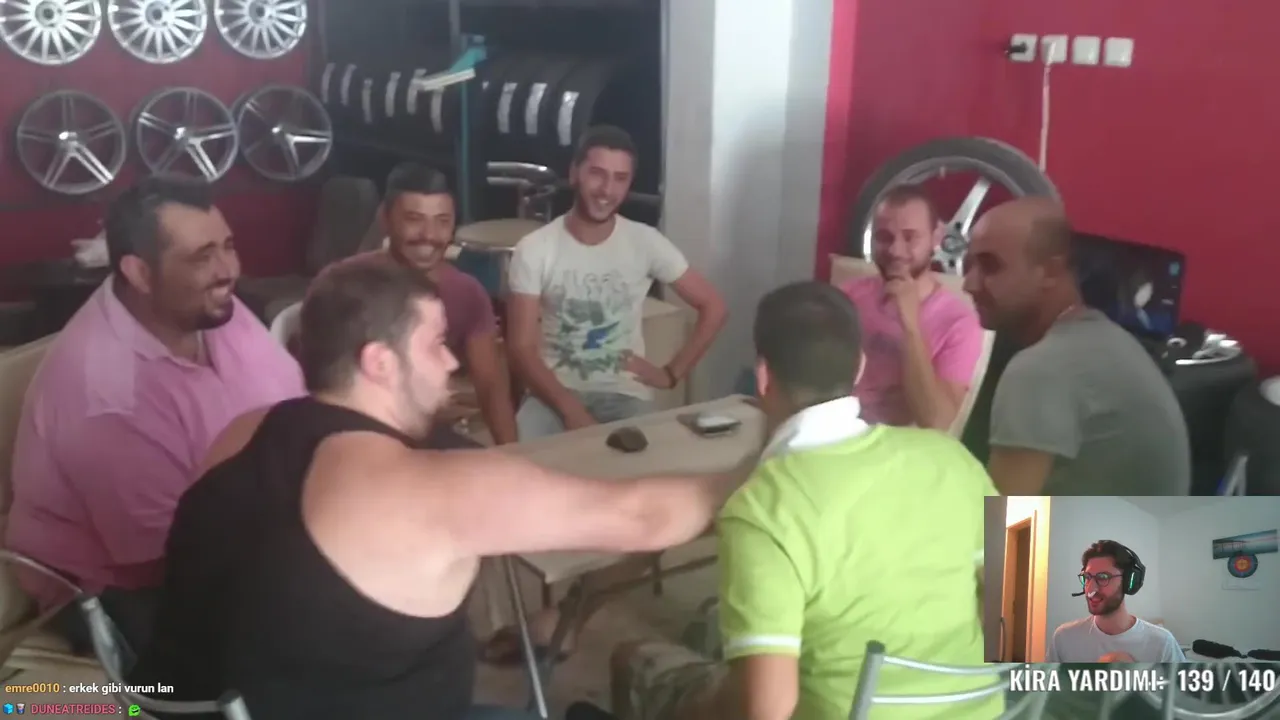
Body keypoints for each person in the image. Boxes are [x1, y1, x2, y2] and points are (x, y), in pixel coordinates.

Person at [128, 253, 752, 720]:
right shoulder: (422, 489)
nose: (453, 362)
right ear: (379, 361)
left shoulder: (243, 431)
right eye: (435, 345)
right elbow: (644, 518)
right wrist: (766, 465)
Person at [608, 281, 1000, 720]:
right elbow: (1040, 610)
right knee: (716, 635)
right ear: (860, 368)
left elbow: (765, 710)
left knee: (635, 658)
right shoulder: (952, 456)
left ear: (762, 377)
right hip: (987, 714)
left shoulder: (760, 509)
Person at [5, 176, 304, 656]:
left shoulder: (208, 309)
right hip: (120, 591)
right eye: (202, 256)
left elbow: (292, 401)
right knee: (302, 641)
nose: (228, 269)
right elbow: (169, 558)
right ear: (140, 274)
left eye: (228, 246)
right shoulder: (107, 398)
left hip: (244, 526)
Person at [506, 125, 727, 439]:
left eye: (620, 179)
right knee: (520, 459)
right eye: (597, 174)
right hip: (552, 392)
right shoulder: (535, 248)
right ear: (574, 173)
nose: (607, 190)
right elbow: (521, 347)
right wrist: (571, 411)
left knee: (647, 459)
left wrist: (670, 374)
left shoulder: (645, 241)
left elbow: (714, 307)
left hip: (624, 393)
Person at [962, 198, 1191, 495]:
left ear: (1050, 271)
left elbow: (1012, 523)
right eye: (969, 265)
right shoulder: (1105, 339)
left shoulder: (1040, 370)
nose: (969, 284)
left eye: (991, 266)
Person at [377, 161, 517, 445]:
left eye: (442, 221)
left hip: (431, 439)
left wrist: (514, 456)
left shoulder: (467, 293)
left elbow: (490, 387)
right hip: (362, 436)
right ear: (386, 219)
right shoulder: (346, 286)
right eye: (414, 219)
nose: (429, 235)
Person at [841, 184, 985, 429]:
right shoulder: (847, 295)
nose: (895, 250)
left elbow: (936, 421)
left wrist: (910, 324)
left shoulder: (960, 323)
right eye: (884, 237)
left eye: (910, 237)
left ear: (936, 238)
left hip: (898, 445)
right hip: (837, 431)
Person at [1046, 540, 1184, 663]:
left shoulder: (1162, 643)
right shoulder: (1064, 638)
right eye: (1087, 577)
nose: (1090, 589)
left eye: (1103, 577)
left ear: (1128, 582)